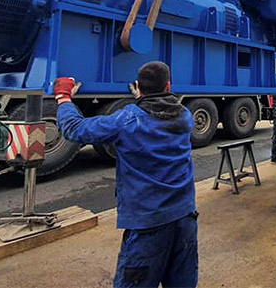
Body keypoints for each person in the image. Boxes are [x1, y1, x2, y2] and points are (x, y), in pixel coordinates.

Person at [54, 61, 197, 288]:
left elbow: (74, 129)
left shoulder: (126, 121)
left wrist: (63, 98)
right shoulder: (185, 116)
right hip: (185, 219)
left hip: (148, 225)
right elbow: (159, 110)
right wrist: (141, 99)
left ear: (139, 87)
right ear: (168, 86)